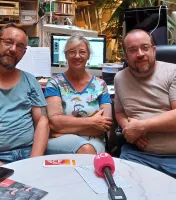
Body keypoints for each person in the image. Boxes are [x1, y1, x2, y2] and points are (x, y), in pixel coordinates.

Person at [0, 23, 49, 176]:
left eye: (20, 46)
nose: (13, 49)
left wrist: (33, 162)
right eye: (8, 42)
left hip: (29, 153)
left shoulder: (29, 80)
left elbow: (42, 120)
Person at [114, 29, 176, 178]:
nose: (140, 53)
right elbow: (119, 112)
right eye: (133, 50)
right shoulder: (119, 78)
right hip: (137, 155)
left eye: (145, 47)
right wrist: (129, 130)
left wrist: (141, 127)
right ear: (126, 56)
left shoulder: (173, 72)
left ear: (153, 50)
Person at [44, 35, 112, 154]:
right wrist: (93, 122)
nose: (77, 56)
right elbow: (55, 123)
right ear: (65, 55)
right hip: (61, 141)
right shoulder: (54, 83)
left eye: (82, 52)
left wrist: (66, 128)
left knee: (87, 149)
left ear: (88, 55)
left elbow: (104, 126)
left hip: (93, 140)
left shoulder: (100, 85)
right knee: (85, 150)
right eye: (72, 52)